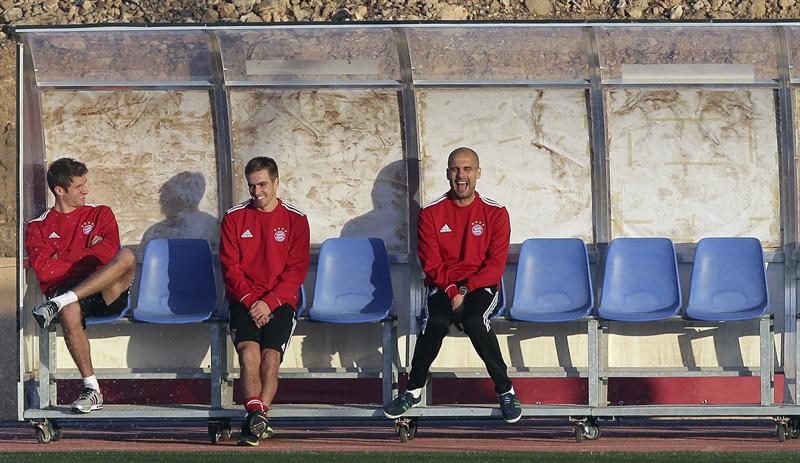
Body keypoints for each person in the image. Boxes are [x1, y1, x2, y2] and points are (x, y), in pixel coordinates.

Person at [384, 147, 522, 424]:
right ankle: (413, 390)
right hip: (442, 285)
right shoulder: (431, 213)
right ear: (447, 174)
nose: (461, 176)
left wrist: (465, 290)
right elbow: (431, 263)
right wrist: (450, 290)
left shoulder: (495, 213)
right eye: (455, 169)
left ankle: (506, 390)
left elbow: (495, 266)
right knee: (434, 321)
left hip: (481, 285)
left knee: (474, 320)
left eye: (467, 169)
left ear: (478, 173)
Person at [26, 157, 137, 413]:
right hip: (65, 295)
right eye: (79, 187)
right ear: (59, 191)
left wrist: (62, 255)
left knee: (127, 256)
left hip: (104, 289)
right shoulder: (38, 227)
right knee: (69, 308)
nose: (86, 191)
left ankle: (60, 302)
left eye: (85, 184)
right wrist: (86, 250)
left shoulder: (101, 213)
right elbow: (45, 270)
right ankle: (92, 389)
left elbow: (109, 253)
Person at [219, 156, 310, 446]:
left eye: (262, 185)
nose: (257, 192)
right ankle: (258, 417)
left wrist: (269, 303)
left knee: (270, 360)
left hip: (280, 302)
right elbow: (230, 268)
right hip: (244, 301)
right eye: (251, 186)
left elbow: (296, 271)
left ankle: (257, 418)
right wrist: (250, 301)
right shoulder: (234, 217)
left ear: (276, 183)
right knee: (249, 356)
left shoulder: (296, 219)